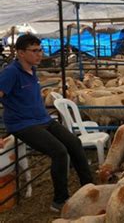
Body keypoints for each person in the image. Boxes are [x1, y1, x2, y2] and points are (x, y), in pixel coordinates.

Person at [0, 34, 92, 212]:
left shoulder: (33, 70)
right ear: (20, 53)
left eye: (40, 50)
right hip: (23, 124)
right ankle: (60, 200)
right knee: (59, 151)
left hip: (42, 119)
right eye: (34, 51)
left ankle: (88, 187)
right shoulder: (11, 73)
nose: (40, 54)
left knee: (75, 142)